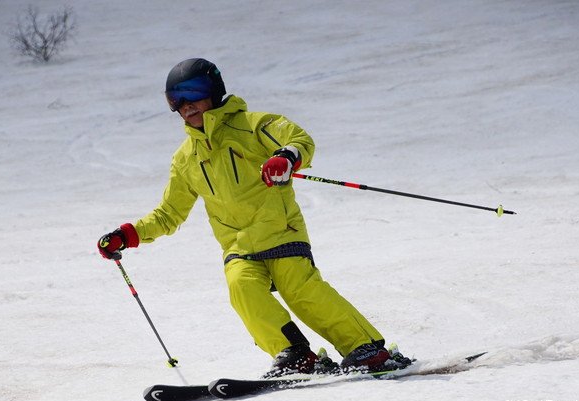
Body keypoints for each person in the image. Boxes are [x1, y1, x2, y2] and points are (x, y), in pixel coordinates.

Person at [98, 58, 408, 376]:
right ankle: (295, 354)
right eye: (176, 100)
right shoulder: (185, 158)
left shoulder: (252, 125)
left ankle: (366, 348)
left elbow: (299, 140)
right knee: (241, 289)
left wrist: (285, 157)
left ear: (215, 91)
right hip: (238, 246)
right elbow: (169, 213)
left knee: (301, 291)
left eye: (193, 93)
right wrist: (128, 234)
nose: (186, 106)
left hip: (280, 230)